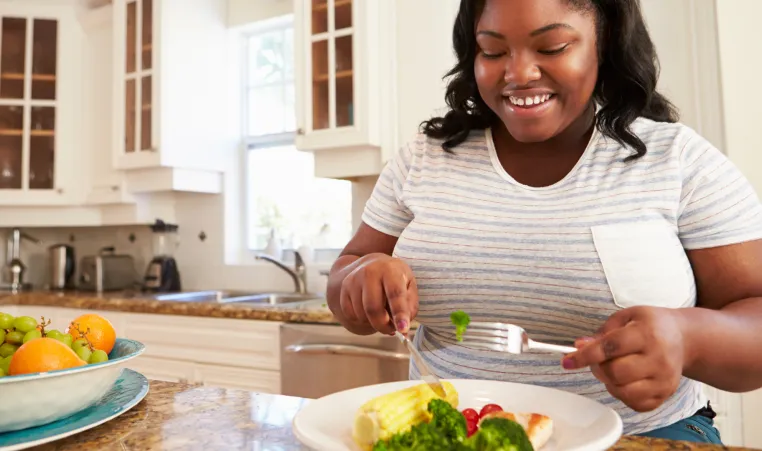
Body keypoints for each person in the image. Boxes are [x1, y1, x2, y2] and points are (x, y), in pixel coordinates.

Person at [326, 0, 762, 444]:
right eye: (493, 52)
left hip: (643, 437)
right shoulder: (424, 158)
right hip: (451, 431)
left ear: (605, 42)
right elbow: (351, 267)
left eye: (552, 47)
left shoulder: (679, 160)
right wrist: (359, 276)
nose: (518, 73)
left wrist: (688, 339)